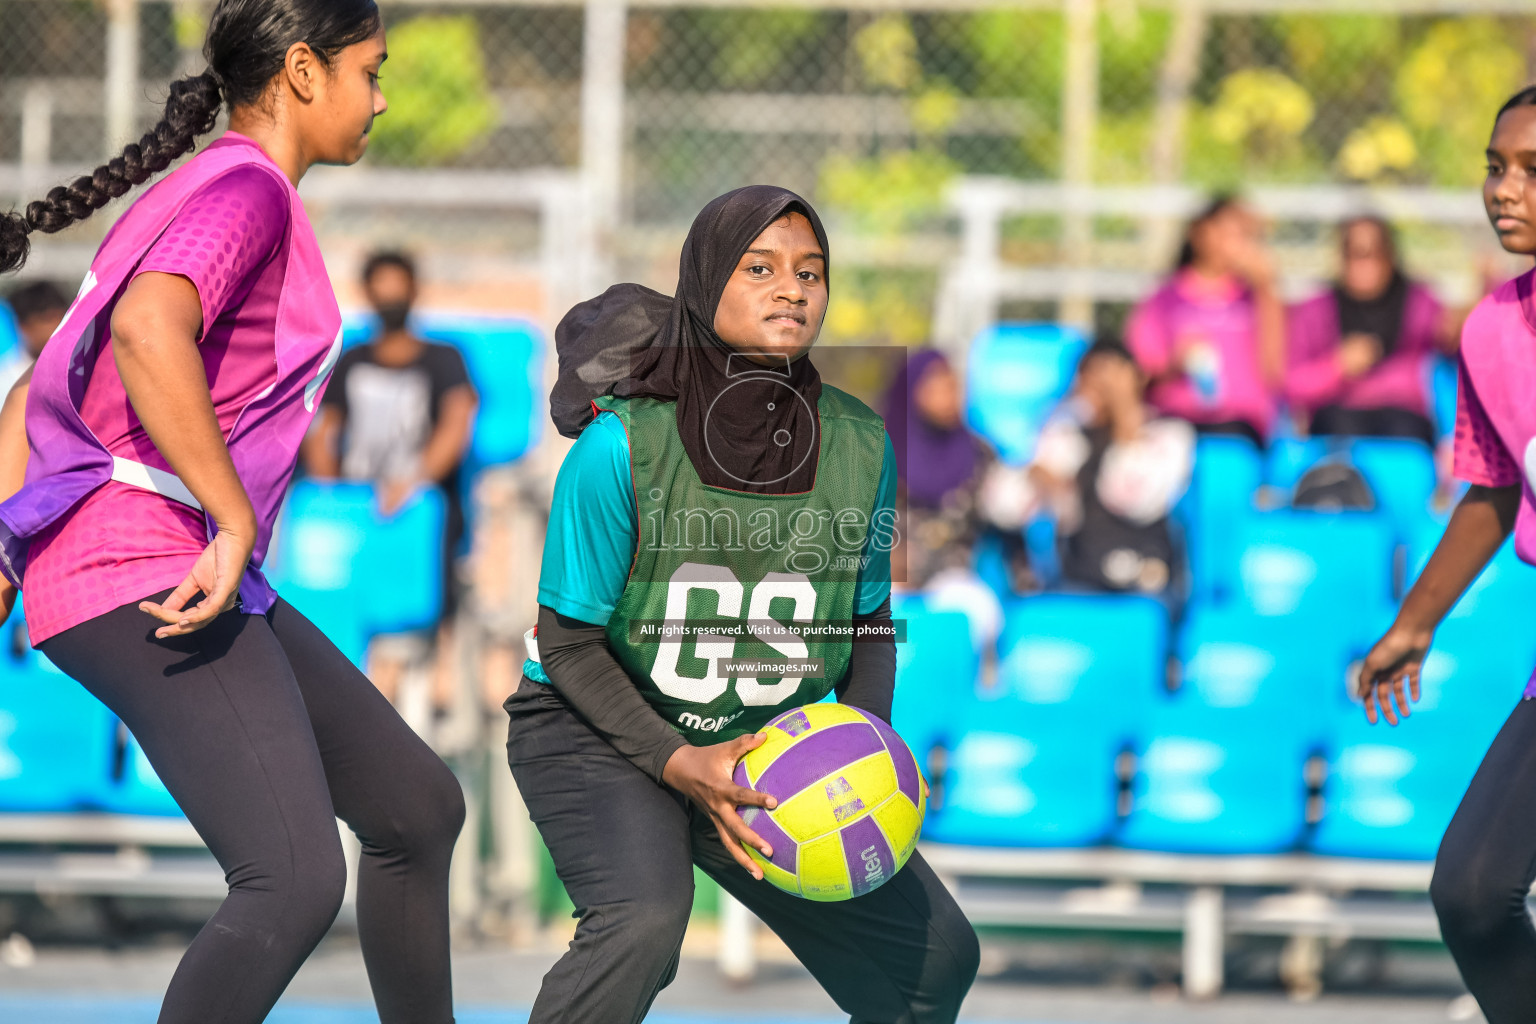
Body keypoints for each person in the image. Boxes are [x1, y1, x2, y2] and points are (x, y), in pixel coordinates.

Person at [0, 3, 463, 1023]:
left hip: (161, 559)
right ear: (304, 71)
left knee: (415, 808)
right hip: (137, 564)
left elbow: (36, 385)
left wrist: (5, 540)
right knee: (293, 878)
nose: (381, 100)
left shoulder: (201, 191)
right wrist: (234, 519)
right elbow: (143, 328)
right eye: (370, 72)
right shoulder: (247, 188)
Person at [507, 186, 979, 1024]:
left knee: (937, 957)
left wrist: (860, 754)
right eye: (759, 268)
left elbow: (866, 623)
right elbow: (568, 640)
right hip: (603, 728)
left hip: (761, 753)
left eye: (810, 271)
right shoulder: (620, 447)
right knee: (642, 926)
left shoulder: (863, 444)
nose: (791, 289)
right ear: (703, 283)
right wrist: (675, 760)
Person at [1358, 86, 1536, 1024]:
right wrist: (1413, 624)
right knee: (1471, 891)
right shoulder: (1492, 333)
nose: (1505, 189)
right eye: (1495, 166)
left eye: (1533, 171)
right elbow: (1496, 488)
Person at [302, 250, 477, 705]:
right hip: (358, 514)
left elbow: (457, 420)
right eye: (381, 288)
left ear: (415, 291)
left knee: (410, 632)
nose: (390, 298)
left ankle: (410, 702)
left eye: (398, 288)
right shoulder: (352, 360)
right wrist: (331, 493)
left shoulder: (444, 359)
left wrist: (416, 480)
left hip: (421, 518)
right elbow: (323, 429)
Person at [1025, 337, 1193, 597]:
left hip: (1145, 576)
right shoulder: (1071, 434)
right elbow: (1040, 496)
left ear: (1137, 376)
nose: (1103, 386)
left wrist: (1125, 409)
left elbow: (1134, 499)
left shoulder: (1171, 434)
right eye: (1092, 375)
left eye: (1111, 375)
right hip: (1080, 575)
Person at [1127, 195, 1286, 446]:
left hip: (1240, 425)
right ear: (1200, 232)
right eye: (1226, 232)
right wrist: (1173, 364)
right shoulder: (1164, 299)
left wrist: (1267, 289)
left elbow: (1275, 369)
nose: (1236, 243)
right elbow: (1138, 373)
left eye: (1244, 235)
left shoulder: (1259, 298)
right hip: (1175, 421)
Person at [1285, 216, 1453, 446]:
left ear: (1391, 256)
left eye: (1374, 252)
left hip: (1403, 421)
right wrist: (1337, 367)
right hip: (1338, 418)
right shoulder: (1317, 309)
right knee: (1339, 430)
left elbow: (1457, 350)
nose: (1364, 263)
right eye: (1355, 253)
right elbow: (1293, 386)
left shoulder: (1420, 303)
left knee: (1402, 433)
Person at [0, 281, 67, 392]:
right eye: (47, 319)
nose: (57, 325)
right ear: (23, 325)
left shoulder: (78, 372)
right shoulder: (6, 380)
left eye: (62, 317)